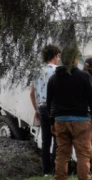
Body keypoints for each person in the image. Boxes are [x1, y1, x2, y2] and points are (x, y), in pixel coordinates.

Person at [47, 46, 92, 180]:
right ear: (76, 59)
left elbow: (50, 103)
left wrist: (52, 122)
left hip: (60, 120)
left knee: (62, 154)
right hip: (81, 121)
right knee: (83, 154)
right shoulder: (84, 76)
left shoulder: (54, 78)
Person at [30, 44, 61, 176]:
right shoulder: (58, 71)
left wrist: (36, 109)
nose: (59, 58)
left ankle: (46, 171)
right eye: (58, 56)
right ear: (54, 56)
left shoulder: (38, 71)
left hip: (42, 106)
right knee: (57, 139)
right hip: (55, 106)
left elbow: (31, 93)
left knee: (46, 140)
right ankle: (55, 169)